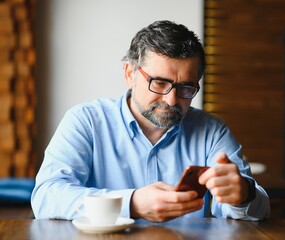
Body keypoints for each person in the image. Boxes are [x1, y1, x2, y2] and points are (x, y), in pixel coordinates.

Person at [31, 20, 270, 222]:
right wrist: (131, 203)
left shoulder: (212, 131)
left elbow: (258, 208)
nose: (171, 99)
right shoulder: (86, 121)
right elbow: (47, 196)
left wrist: (243, 195)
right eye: (159, 83)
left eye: (186, 87)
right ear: (129, 74)